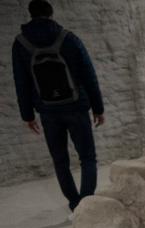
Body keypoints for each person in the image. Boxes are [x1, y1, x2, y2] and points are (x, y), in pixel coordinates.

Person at [12, 0, 104, 211]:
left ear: (30, 14)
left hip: (48, 111)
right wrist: (98, 108)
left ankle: (74, 203)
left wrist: (27, 115)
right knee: (87, 157)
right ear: (51, 13)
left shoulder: (20, 44)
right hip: (76, 106)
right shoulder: (68, 39)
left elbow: (21, 82)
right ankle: (87, 205)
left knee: (60, 160)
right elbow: (89, 75)